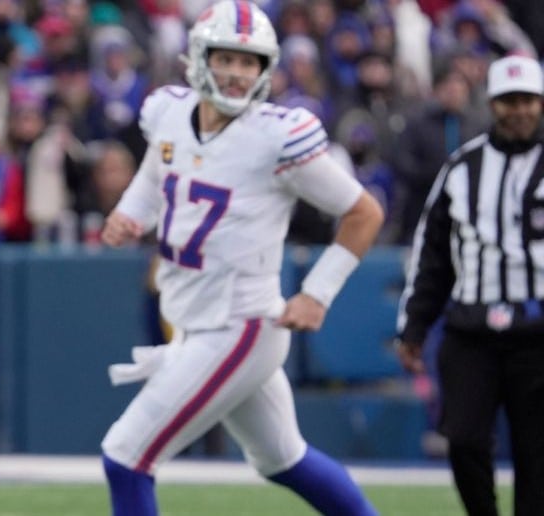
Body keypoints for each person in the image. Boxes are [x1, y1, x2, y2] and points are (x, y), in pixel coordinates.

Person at [98, 2, 385, 515]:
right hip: (196, 318)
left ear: (265, 69)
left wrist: (317, 293)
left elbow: (364, 212)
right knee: (282, 458)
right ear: (198, 57)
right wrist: (130, 215)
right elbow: (155, 173)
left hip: (240, 324)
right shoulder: (168, 112)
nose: (236, 74)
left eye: (248, 62)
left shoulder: (277, 136)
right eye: (226, 58)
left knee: (126, 454)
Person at [397, 55, 544, 516]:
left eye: (527, 100)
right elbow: (432, 255)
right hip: (471, 332)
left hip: (539, 336)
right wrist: (413, 326)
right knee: (462, 439)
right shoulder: (461, 168)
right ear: (492, 103)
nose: (518, 110)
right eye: (507, 101)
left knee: (537, 457)